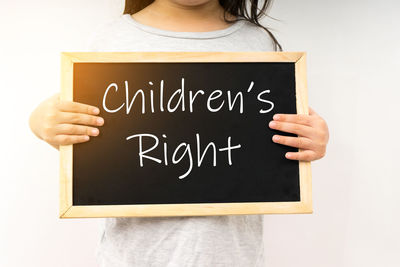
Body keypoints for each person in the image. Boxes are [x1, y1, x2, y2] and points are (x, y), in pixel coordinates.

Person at [29, 0, 330, 266]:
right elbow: (89, 133)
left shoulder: (257, 42)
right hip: (132, 258)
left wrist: (310, 138)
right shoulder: (112, 38)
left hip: (232, 256)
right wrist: (43, 122)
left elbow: (274, 136)